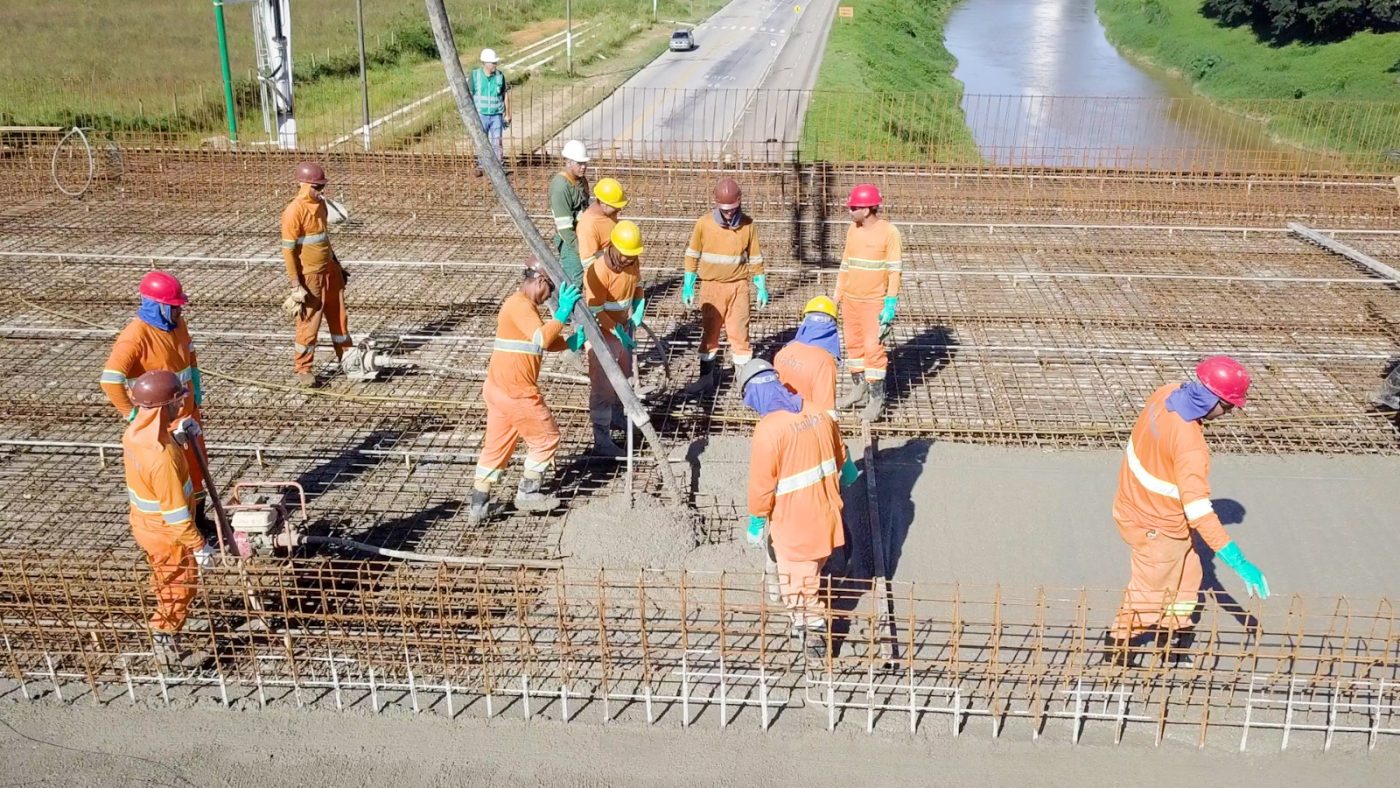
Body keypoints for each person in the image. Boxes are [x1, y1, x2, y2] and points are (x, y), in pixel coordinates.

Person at [1104, 356, 1271, 667]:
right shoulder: (1190, 446)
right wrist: (1239, 562)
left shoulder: (1166, 392)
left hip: (1136, 504)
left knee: (1188, 575)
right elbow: (1200, 512)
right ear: (1214, 400)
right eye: (1230, 406)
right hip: (1155, 524)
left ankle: (1173, 636)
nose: (1230, 412)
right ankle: (1119, 646)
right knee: (1148, 594)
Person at [740, 360, 857, 660]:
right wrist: (848, 472)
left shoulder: (770, 430)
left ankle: (815, 633)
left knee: (799, 588)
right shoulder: (817, 412)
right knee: (810, 573)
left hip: (796, 528)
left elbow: (762, 487)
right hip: (828, 518)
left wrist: (756, 520)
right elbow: (841, 455)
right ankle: (801, 622)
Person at [101, 271, 217, 544]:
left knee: (197, 470)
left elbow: (190, 358)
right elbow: (110, 380)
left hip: (187, 414)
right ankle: (183, 529)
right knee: (173, 478)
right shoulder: (136, 337)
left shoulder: (178, 325)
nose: (179, 310)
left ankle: (199, 519)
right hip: (162, 422)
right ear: (158, 306)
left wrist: (196, 395)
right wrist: (133, 415)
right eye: (174, 306)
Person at [469, 260, 583, 523]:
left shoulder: (523, 306)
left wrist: (572, 341)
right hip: (516, 392)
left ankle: (479, 505)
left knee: (496, 447)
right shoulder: (519, 305)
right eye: (550, 290)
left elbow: (539, 341)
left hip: (498, 388)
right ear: (540, 281)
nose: (549, 297)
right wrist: (562, 313)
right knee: (546, 437)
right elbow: (541, 338)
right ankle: (528, 493)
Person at [122, 370, 216, 668]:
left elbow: (156, 445)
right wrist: (199, 546)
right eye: (177, 401)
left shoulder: (137, 434)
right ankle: (167, 648)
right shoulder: (161, 458)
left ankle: (166, 633)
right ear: (164, 407)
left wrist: (176, 435)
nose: (181, 405)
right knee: (179, 585)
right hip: (167, 534)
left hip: (147, 527)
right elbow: (176, 514)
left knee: (166, 580)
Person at [681, 177, 767, 396]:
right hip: (712, 287)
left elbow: (755, 257)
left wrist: (760, 284)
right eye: (725, 210)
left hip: (738, 287)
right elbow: (692, 255)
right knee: (710, 335)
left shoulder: (748, 225)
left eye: (733, 209)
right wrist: (689, 284)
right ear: (717, 204)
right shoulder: (704, 224)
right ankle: (706, 379)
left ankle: (742, 382)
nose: (729, 214)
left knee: (740, 335)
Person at [833, 183, 901, 422]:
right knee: (854, 347)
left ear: (868, 209)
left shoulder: (889, 232)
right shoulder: (853, 229)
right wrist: (837, 296)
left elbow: (894, 271)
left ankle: (876, 399)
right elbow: (845, 264)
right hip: (851, 300)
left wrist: (890, 304)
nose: (850, 210)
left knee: (874, 351)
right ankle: (858, 389)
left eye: (854, 207)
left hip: (874, 302)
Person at [578, 220, 645, 458]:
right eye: (626, 256)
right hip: (601, 335)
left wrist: (638, 304)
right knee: (603, 386)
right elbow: (596, 310)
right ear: (614, 248)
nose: (629, 260)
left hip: (622, 329)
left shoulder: (632, 261)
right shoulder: (596, 272)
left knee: (624, 377)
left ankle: (618, 416)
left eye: (632, 256)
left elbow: (636, 284)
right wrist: (616, 331)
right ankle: (602, 438)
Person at [280, 162, 349, 387]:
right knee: (309, 323)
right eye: (316, 187)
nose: (320, 191)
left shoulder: (320, 206)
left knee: (339, 318)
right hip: (310, 276)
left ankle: (347, 358)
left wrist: (337, 265)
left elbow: (324, 238)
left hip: (329, 271)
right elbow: (288, 251)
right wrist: (295, 284)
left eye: (321, 187)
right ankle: (304, 368)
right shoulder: (294, 211)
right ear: (303, 185)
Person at [775, 296, 840, 420]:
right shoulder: (825, 362)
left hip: (779, 423)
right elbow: (825, 413)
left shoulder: (783, 352)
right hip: (805, 426)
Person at [549, 140, 592, 287]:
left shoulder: (581, 180)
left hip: (583, 235)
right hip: (570, 242)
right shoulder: (560, 187)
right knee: (575, 282)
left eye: (585, 163)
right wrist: (581, 249)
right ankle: (570, 310)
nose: (583, 167)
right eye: (579, 163)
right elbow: (565, 228)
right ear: (568, 162)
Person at [470, 48, 511, 166]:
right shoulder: (475, 75)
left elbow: (505, 95)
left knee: (497, 141)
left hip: (496, 115)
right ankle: (482, 164)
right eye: (493, 63)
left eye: (495, 63)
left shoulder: (500, 76)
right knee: (482, 141)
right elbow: (469, 96)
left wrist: (508, 113)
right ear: (485, 63)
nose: (495, 65)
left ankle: (499, 164)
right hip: (480, 114)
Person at [576, 177, 628, 262]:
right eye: (616, 206)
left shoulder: (609, 212)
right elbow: (588, 261)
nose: (619, 209)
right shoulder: (588, 226)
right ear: (604, 204)